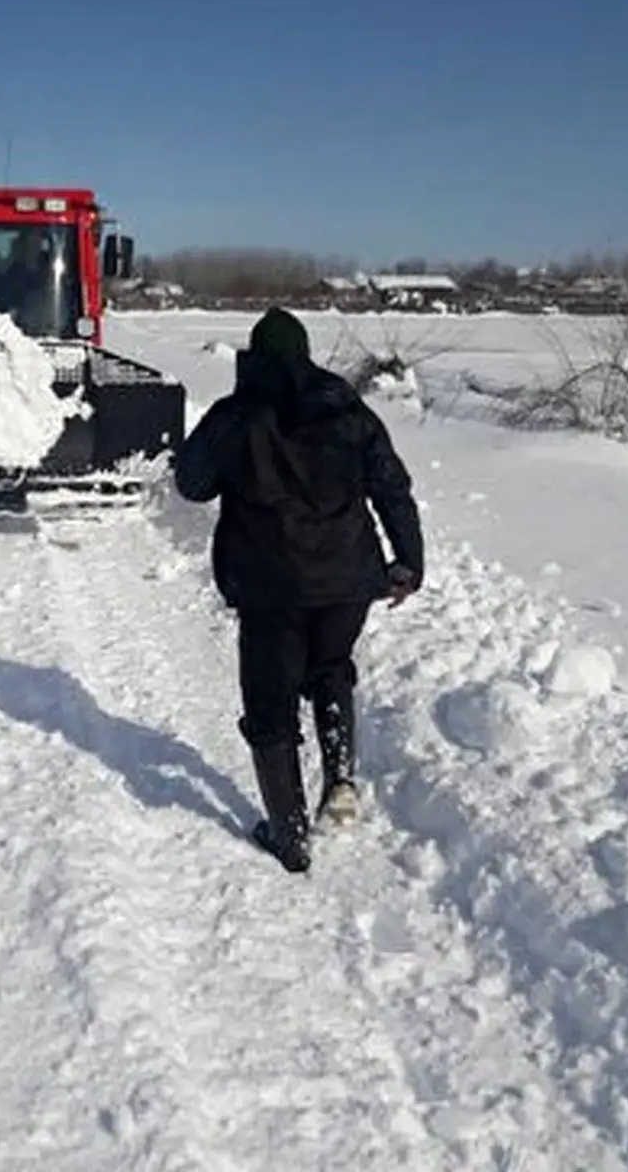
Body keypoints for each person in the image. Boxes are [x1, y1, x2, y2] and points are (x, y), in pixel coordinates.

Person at [174, 307, 423, 874]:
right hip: (348, 582)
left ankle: (288, 835)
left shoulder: (237, 414)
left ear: (255, 357)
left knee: (271, 700)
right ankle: (339, 778)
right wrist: (408, 561)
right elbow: (392, 487)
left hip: (269, 586)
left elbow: (191, 485)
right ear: (305, 353)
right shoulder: (347, 408)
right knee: (331, 667)